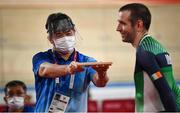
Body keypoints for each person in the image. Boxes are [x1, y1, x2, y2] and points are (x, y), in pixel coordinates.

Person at [32, 12, 110, 112]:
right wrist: (68, 69)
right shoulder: (41, 57)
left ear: (74, 33)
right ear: (50, 39)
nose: (65, 38)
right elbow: (44, 70)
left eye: (68, 33)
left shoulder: (86, 61)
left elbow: (100, 83)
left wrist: (102, 73)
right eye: (59, 35)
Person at [116, 3, 180, 112]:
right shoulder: (155, 46)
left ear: (139, 25)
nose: (118, 28)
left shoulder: (144, 52)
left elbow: (165, 91)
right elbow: (171, 87)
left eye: (122, 23)